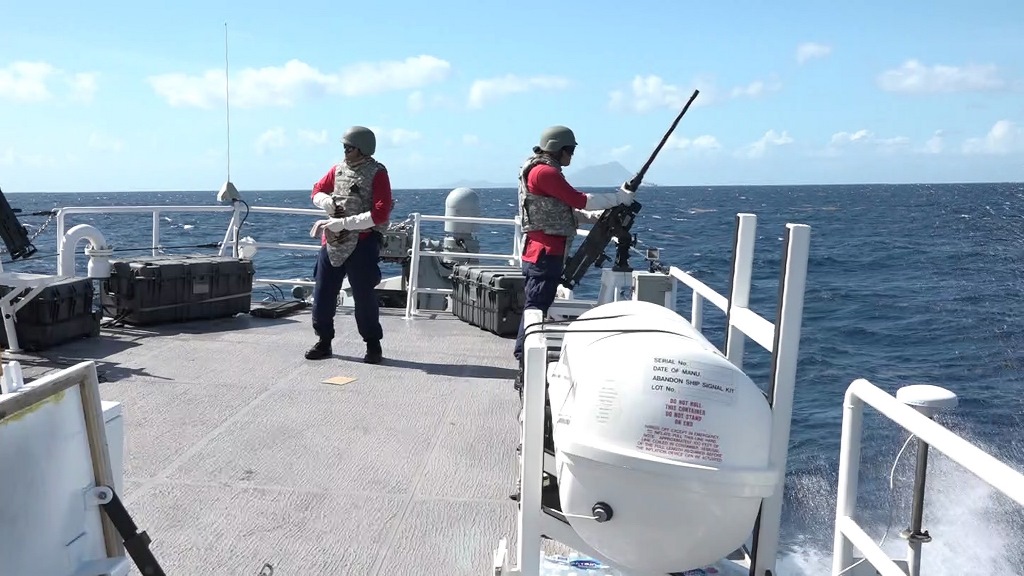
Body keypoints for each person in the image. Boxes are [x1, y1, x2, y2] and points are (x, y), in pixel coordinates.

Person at [512, 125, 634, 389]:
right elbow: (579, 200)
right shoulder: (545, 172)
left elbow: (561, 210)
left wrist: (595, 216)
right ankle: (525, 365)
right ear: (559, 149)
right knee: (536, 308)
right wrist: (619, 198)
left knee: (538, 305)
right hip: (545, 254)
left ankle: (526, 363)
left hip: (541, 251)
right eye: (571, 150)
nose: (572, 155)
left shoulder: (540, 170)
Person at [305, 125, 392, 364]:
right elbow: (317, 190)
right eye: (344, 147)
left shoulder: (377, 173)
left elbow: (380, 213)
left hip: (362, 242)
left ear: (362, 148)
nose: (345, 151)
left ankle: (373, 344)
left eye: (349, 147)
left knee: (364, 296)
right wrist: (325, 201)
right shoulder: (338, 170)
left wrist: (344, 223)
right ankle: (324, 341)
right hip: (333, 241)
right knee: (323, 293)